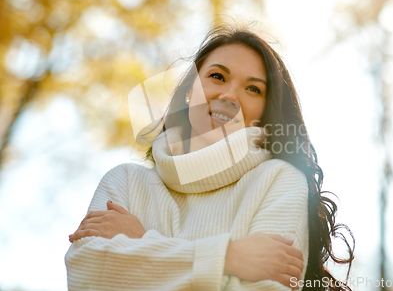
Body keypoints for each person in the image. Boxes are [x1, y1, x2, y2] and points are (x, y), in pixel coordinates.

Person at [65, 24, 354, 290]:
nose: (229, 95)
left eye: (253, 89)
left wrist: (142, 244)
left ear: (265, 110)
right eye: (217, 76)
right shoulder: (126, 182)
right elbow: (88, 277)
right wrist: (228, 258)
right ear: (191, 89)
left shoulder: (278, 181)